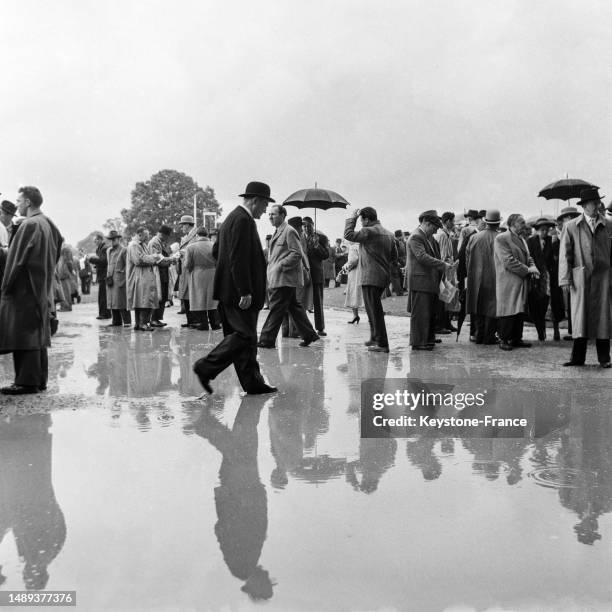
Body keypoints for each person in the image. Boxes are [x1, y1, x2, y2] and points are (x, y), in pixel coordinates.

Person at [193, 181, 277, 395]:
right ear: (256, 201)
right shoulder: (242, 220)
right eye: (265, 204)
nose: (266, 209)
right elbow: (237, 258)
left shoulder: (231, 219)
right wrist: (244, 290)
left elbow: (217, 251)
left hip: (229, 291)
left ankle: (253, 383)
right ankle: (205, 367)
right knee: (245, 337)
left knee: (243, 340)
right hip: (240, 294)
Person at [0, 186, 62, 394]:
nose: (17, 205)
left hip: (25, 287)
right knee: (38, 333)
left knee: (24, 333)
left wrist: (6, 285)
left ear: (28, 202)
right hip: (42, 284)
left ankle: (26, 382)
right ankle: (39, 380)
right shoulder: (48, 223)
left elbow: (16, 261)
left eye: (19, 201)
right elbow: (58, 246)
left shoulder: (29, 225)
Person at [559, 187, 612, 368]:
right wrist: (565, 279)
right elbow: (565, 255)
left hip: (604, 276)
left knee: (603, 318)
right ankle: (577, 358)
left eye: (597, 202)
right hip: (580, 277)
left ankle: (604, 359)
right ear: (584, 205)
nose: (597, 205)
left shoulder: (609, 224)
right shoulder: (571, 226)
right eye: (593, 203)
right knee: (580, 317)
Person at [257, 204, 319, 348]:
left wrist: (280, 266)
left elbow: (296, 253)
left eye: (273, 214)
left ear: (283, 215)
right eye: (269, 215)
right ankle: (309, 335)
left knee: (276, 308)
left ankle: (266, 340)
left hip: (285, 278)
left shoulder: (289, 231)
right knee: (295, 308)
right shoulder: (278, 231)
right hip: (281, 278)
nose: (270, 217)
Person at [344, 206, 396, 353]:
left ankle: (382, 343)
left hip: (370, 276)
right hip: (382, 276)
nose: (361, 222)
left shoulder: (368, 231)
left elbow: (348, 234)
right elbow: (395, 256)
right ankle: (374, 337)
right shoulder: (388, 234)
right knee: (373, 309)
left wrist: (352, 219)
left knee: (374, 311)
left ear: (367, 219)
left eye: (361, 220)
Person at [406, 211, 451, 350]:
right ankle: (419, 342)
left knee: (429, 312)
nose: (436, 231)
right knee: (421, 313)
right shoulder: (416, 237)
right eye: (434, 227)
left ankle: (428, 338)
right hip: (420, 282)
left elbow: (433, 256)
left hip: (428, 281)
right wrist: (443, 264)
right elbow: (422, 257)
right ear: (427, 223)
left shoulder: (428, 237)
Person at [494, 214, 539, 351]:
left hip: (520, 280)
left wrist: (533, 267)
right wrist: (528, 270)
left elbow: (528, 257)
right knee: (508, 310)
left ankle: (516, 338)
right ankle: (504, 338)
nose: (524, 225)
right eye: (521, 222)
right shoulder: (501, 238)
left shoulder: (521, 239)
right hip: (508, 281)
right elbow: (508, 261)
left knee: (519, 310)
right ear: (512, 224)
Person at [465, 209, 500, 344]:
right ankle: (489, 336)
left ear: (485, 222)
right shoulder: (500, 237)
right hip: (494, 276)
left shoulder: (474, 237)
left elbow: (467, 258)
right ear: (497, 224)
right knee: (491, 307)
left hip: (476, 277)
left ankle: (478, 334)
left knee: (478, 305)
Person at [126, 227, 164, 331]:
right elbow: (138, 260)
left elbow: (144, 257)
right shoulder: (134, 245)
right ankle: (143, 323)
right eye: (145, 236)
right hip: (139, 277)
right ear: (139, 234)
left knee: (141, 300)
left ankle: (139, 323)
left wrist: (151, 257)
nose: (147, 238)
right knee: (144, 300)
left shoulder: (141, 244)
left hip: (143, 276)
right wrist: (154, 257)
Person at [526, 218, 557, 341]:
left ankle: (542, 329)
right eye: (542, 230)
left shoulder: (552, 241)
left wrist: (554, 244)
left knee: (545, 302)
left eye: (547, 230)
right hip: (535, 276)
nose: (544, 232)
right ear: (537, 230)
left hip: (547, 278)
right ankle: (540, 330)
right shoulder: (531, 241)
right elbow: (528, 257)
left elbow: (554, 258)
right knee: (535, 304)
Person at [184, 226, 220, 331]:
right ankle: (215, 324)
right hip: (213, 273)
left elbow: (187, 264)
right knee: (212, 299)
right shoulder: (214, 245)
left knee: (199, 298)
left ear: (197, 235)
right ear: (207, 235)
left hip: (197, 274)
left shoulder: (191, 247)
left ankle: (203, 323)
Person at [556, 206, 581, 341]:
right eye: (567, 217)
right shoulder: (557, 236)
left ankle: (580, 330)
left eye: (572, 216)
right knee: (570, 303)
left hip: (579, 271)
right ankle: (573, 330)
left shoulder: (579, 230)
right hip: (565, 272)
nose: (570, 219)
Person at [302, 216, 329, 336]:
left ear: (313, 224)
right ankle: (302, 328)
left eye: (308, 225)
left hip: (316, 273)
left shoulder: (321, 237)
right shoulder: (300, 237)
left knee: (318, 302)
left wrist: (317, 246)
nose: (306, 228)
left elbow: (326, 255)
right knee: (302, 301)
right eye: (304, 226)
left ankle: (320, 328)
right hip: (303, 274)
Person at [105, 230, 131, 327]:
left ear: (118, 239)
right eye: (110, 240)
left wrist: (124, 278)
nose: (112, 241)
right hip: (110, 279)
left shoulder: (124, 250)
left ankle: (127, 322)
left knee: (121, 302)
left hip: (120, 279)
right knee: (112, 301)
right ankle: (116, 321)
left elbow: (127, 266)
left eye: (114, 239)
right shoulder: (108, 251)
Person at [148, 225, 173, 327]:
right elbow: (158, 260)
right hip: (157, 272)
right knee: (157, 296)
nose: (168, 238)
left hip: (163, 272)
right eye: (167, 236)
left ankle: (157, 318)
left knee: (163, 296)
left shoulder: (160, 242)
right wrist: (171, 259)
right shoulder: (154, 242)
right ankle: (153, 319)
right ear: (163, 234)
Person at [177, 215, 198, 321]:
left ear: (187, 225)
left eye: (182, 225)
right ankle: (190, 320)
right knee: (186, 295)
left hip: (190, 269)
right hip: (185, 268)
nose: (181, 228)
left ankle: (194, 320)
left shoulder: (195, 236)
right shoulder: (187, 237)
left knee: (190, 295)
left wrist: (183, 253)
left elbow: (194, 250)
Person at [88, 232, 111, 319]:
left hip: (104, 275)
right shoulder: (99, 249)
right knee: (102, 295)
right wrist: (96, 264)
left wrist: (91, 259)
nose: (95, 242)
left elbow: (104, 261)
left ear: (101, 239)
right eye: (94, 240)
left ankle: (104, 314)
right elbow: (101, 261)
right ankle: (104, 313)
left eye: (97, 240)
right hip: (101, 274)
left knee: (103, 296)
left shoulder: (104, 248)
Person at [341, 241, 363, 324]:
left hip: (355, 273)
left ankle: (355, 315)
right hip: (363, 271)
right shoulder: (362, 246)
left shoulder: (353, 247)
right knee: (363, 294)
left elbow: (353, 260)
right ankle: (370, 316)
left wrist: (346, 266)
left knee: (353, 293)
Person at [389, 230, 406, 296]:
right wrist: (396, 261)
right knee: (395, 277)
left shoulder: (397, 242)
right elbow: (395, 253)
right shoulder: (395, 242)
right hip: (394, 262)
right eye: (402, 234)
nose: (403, 236)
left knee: (395, 277)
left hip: (396, 262)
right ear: (400, 235)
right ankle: (399, 292)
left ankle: (389, 293)